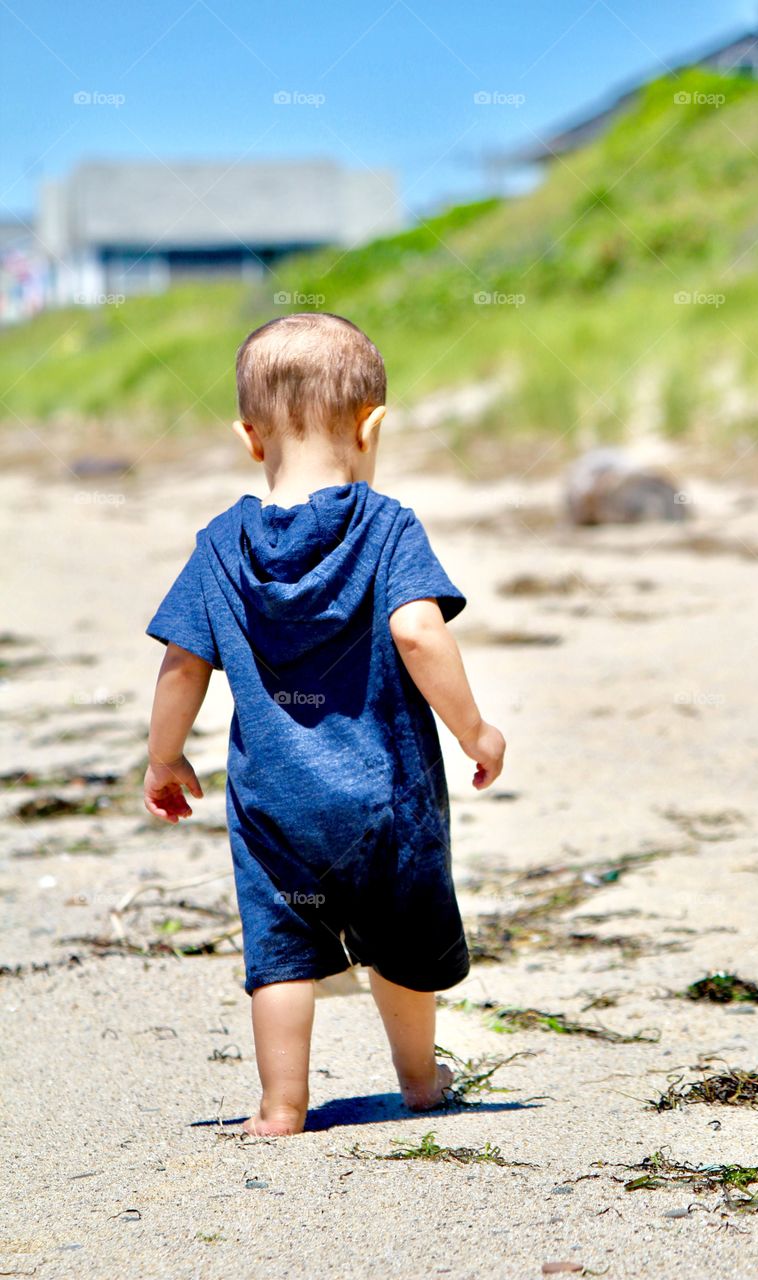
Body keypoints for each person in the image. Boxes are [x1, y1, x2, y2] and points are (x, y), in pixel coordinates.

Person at [143, 312, 506, 1136]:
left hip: (275, 804)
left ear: (248, 436)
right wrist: (473, 730)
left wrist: (164, 758)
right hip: (387, 796)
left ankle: (280, 1108)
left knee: (281, 952)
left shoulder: (220, 545)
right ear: (371, 426)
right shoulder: (386, 528)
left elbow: (183, 664)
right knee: (401, 943)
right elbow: (419, 632)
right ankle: (417, 1081)